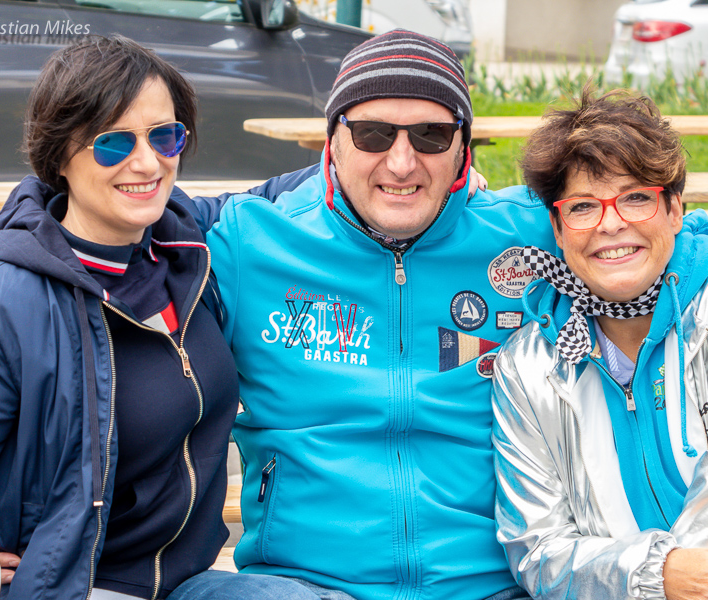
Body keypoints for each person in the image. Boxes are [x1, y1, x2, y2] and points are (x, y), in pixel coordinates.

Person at [0, 35, 314, 600]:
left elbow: (292, 190)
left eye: (165, 136)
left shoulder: (185, 240)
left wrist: (418, 162)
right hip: (71, 587)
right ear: (60, 154)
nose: (148, 162)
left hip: (184, 583)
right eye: (113, 143)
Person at [198, 29, 557, 600]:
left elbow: (671, 240)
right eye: (372, 134)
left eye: (433, 135)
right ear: (333, 141)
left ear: (464, 147)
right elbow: (101, 224)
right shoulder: (252, 242)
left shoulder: (530, 234)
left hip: (494, 585)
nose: (402, 162)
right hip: (306, 586)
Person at [491, 89, 708, 600]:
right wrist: (656, 575)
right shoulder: (528, 364)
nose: (611, 223)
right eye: (583, 206)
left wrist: (661, 581)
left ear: (674, 209)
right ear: (558, 231)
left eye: (636, 198)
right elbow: (537, 549)